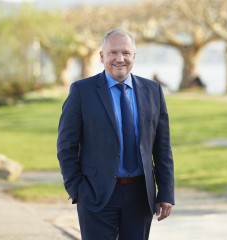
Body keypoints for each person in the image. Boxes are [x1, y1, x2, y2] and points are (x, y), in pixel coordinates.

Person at [57, 28, 175, 240]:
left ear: (134, 56)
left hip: (140, 195)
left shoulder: (153, 91)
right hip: (96, 194)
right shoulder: (82, 91)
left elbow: (162, 147)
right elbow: (66, 145)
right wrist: (77, 190)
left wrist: (165, 193)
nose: (119, 59)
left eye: (126, 53)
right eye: (112, 53)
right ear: (102, 56)